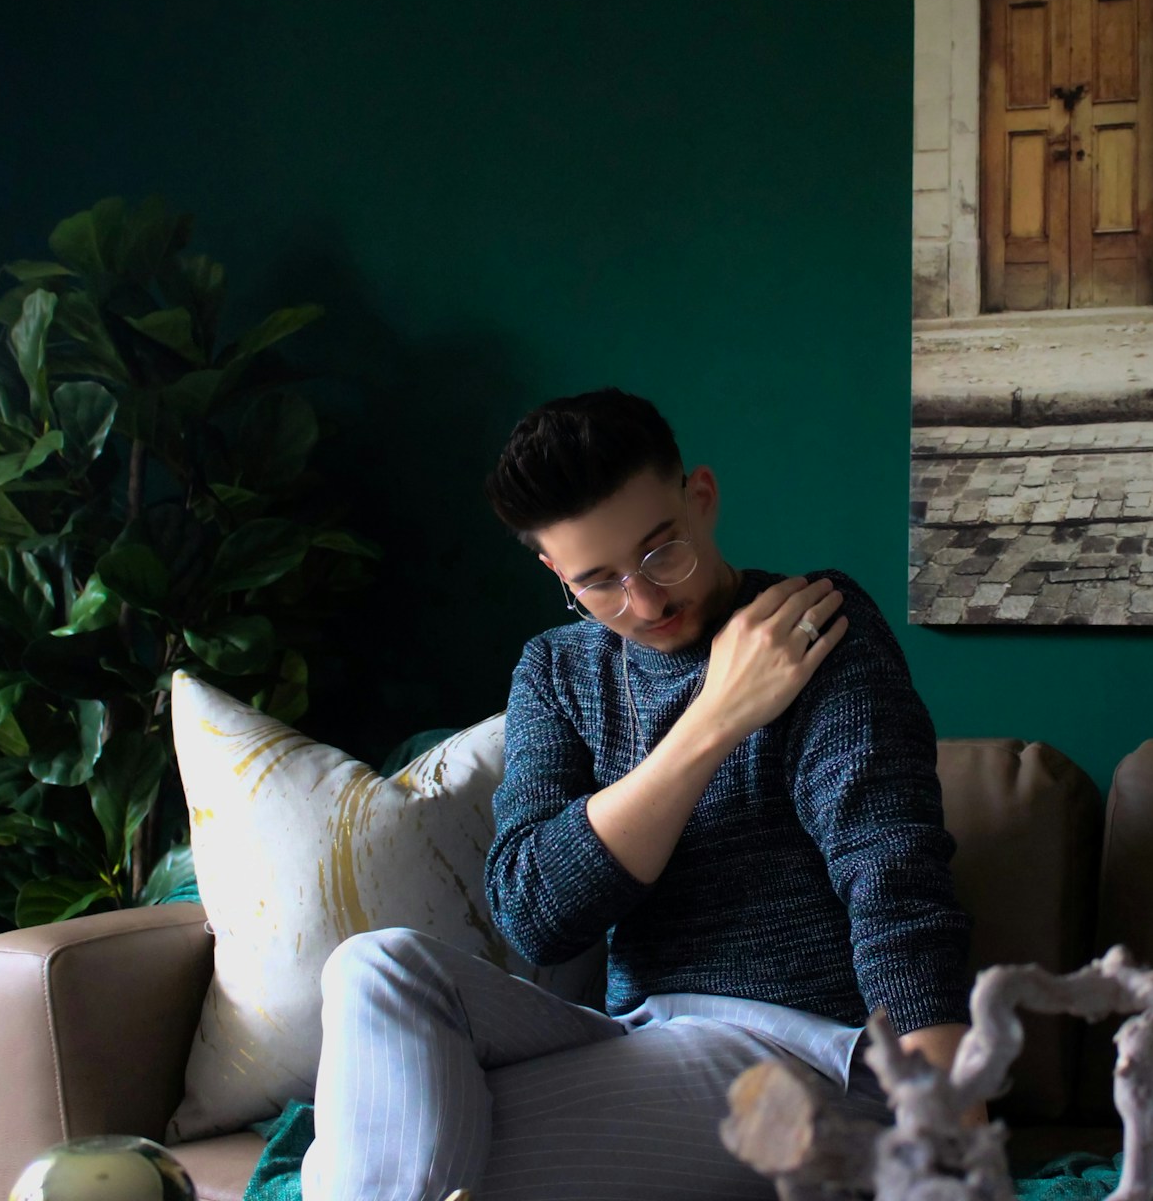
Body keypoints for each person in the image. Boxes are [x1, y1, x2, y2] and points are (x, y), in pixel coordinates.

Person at [302, 389, 974, 1200]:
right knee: (373, 967)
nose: (646, 601)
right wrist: (715, 720)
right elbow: (533, 914)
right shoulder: (556, 671)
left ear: (701, 497)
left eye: (663, 554)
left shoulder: (814, 628)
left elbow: (893, 879)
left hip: (809, 1063)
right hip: (638, 1039)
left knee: (397, 1138)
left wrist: (940, 1128)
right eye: (600, 582)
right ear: (555, 572)